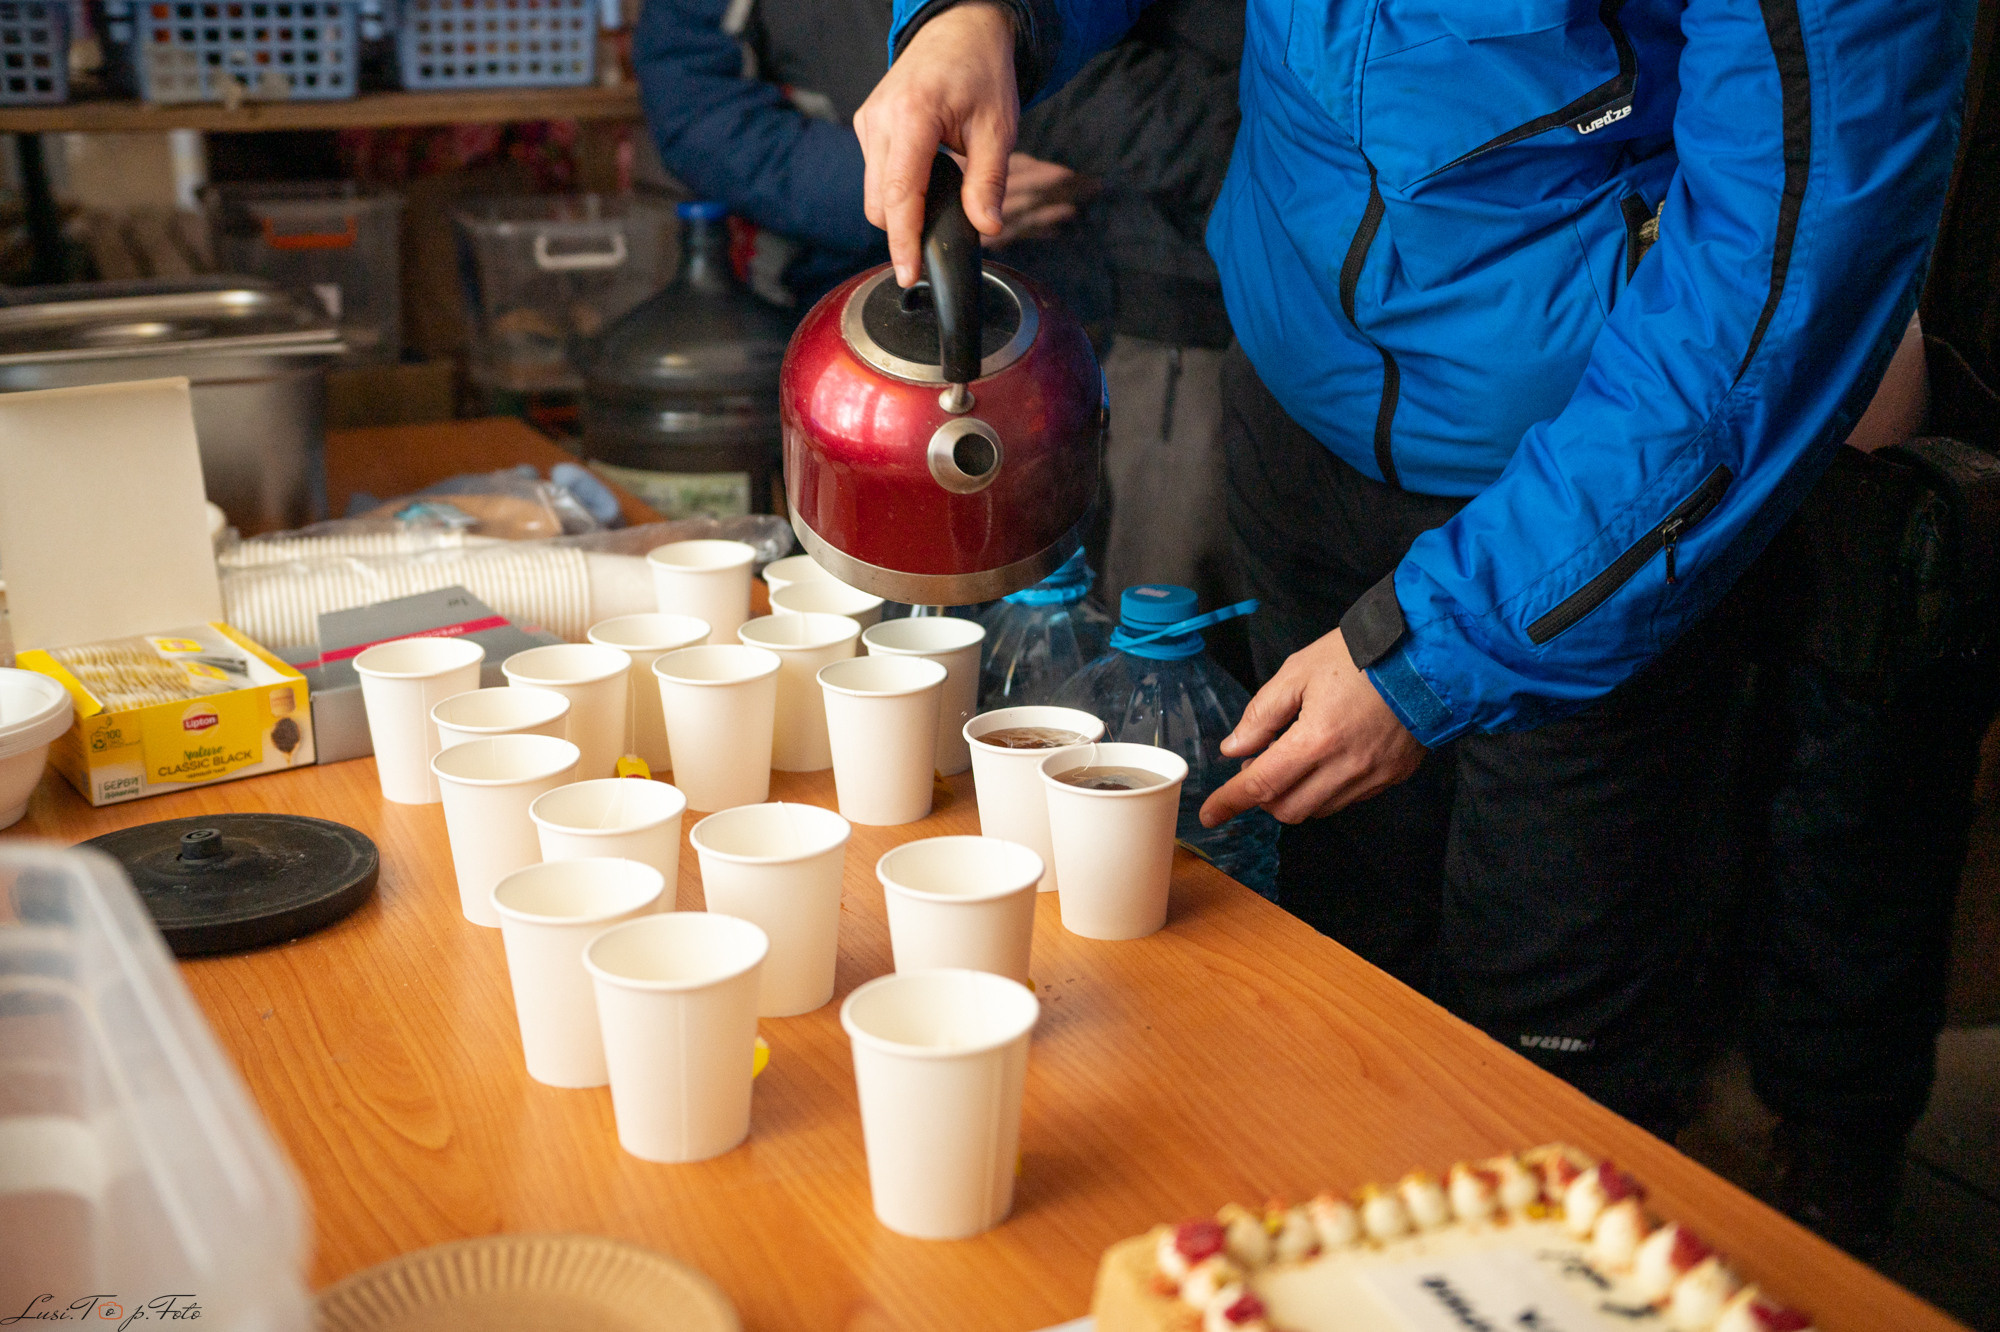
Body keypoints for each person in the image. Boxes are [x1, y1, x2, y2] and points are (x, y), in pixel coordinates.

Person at [853, 0, 1977, 1150]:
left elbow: (1770, 295)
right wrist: (981, 17)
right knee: (1332, 985)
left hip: (1585, 515)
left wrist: (1440, 646)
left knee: (1536, 1084)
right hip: (1298, 420)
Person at [632, 0, 1246, 629]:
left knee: (1119, 613)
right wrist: (899, 185)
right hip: (862, 312)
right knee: (891, 607)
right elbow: (694, 96)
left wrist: (1057, 133)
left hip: (1150, 291)